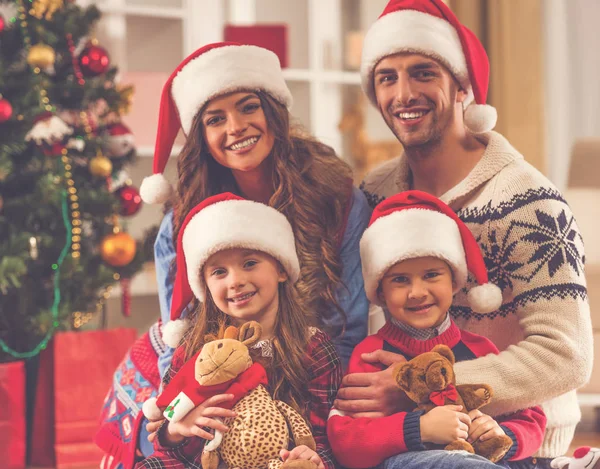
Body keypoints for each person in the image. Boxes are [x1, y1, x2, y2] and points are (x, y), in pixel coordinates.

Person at [335, 0, 592, 467]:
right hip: (403, 441)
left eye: (423, 73)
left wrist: (419, 387)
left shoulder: (528, 199)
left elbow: (566, 356)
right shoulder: (373, 195)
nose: (403, 93)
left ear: (461, 86)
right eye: (386, 78)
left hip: (513, 444)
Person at [96, 42, 370, 468]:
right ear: (201, 136)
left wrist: (297, 396)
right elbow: (179, 324)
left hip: (304, 353)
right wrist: (180, 413)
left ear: (274, 112)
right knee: (155, 445)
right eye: (215, 119)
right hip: (207, 351)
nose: (236, 127)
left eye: (248, 108)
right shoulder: (182, 214)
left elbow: (349, 323)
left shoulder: (336, 197)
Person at [327, 191, 546, 469]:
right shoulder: (371, 355)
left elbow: (533, 418)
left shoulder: (480, 349)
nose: (417, 292)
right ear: (380, 292)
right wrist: (417, 429)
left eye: (431, 275)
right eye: (400, 280)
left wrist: (502, 434)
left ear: (454, 280)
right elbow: (345, 441)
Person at [137, 192, 341, 469]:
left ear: (281, 268)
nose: (236, 281)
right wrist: (177, 429)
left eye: (249, 263)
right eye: (219, 272)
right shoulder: (195, 350)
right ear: (205, 286)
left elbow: (325, 439)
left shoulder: (313, 347)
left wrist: (311, 459)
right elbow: (165, 423)